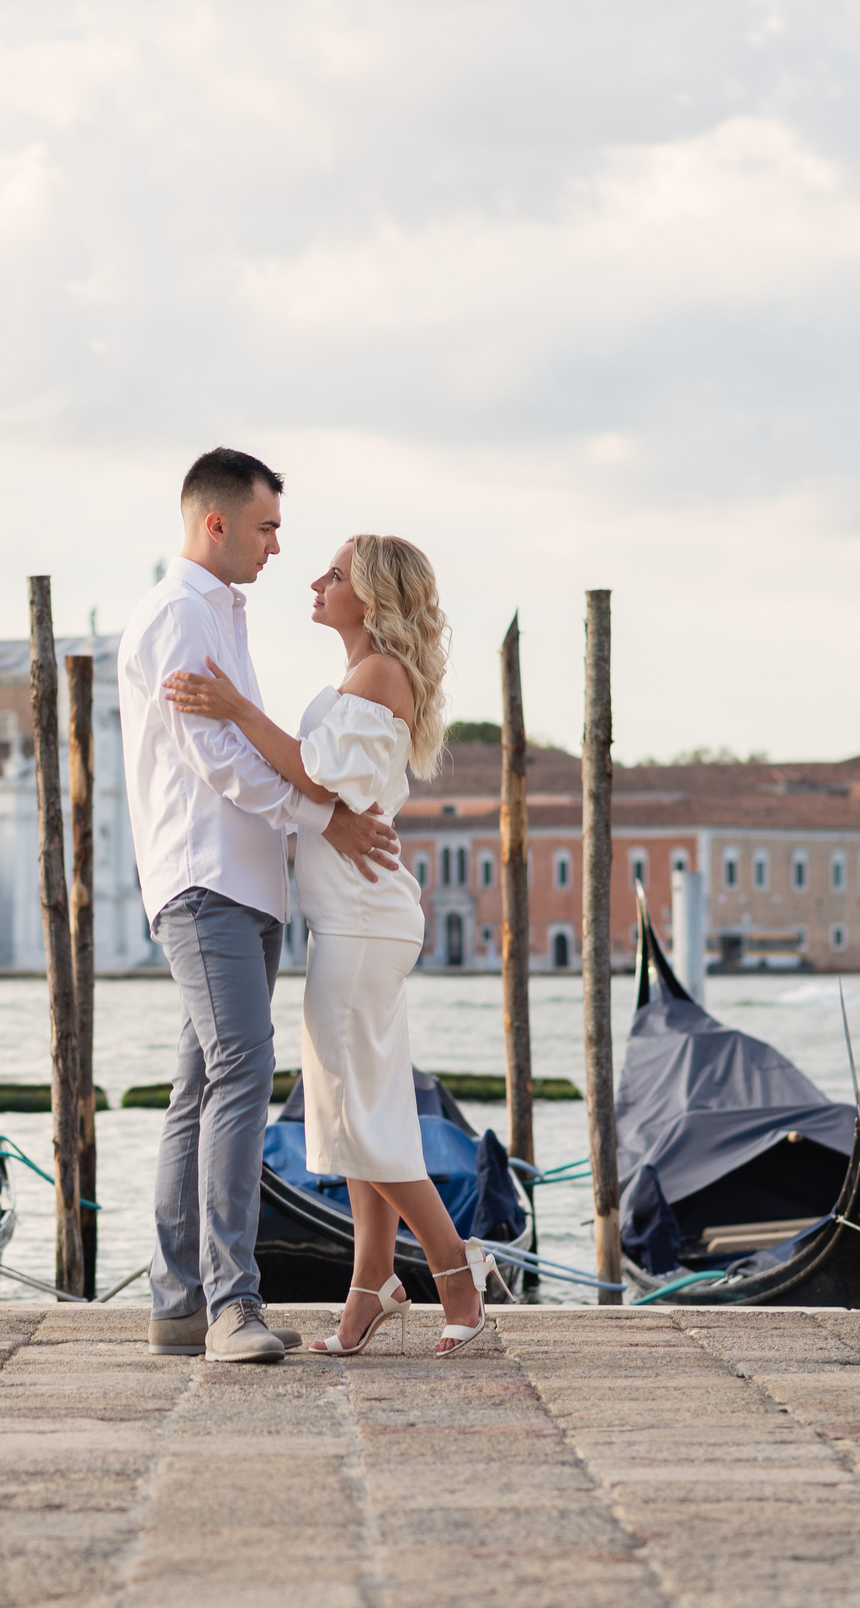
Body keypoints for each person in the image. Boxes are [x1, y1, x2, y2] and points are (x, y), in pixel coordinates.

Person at [162, 531, 494, 1356]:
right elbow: (323, 780)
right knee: (358, 1110)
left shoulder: (380, 673)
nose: (316, 579)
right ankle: (369, 1289)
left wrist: (236, 709)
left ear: (373, 599)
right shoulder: (363, 676)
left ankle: (458, 1274)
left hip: (360, 920)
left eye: (336, 574)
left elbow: (316, 777)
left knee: (353, 1112)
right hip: (355, 915)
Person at [120, 449, 401, 1364]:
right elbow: (221, 761)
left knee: (199, 1090)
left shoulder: (218, 616)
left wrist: (312, 821)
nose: (279, 546)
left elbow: (243, 745)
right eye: (268, 526)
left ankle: (178, 1307)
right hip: (206, 880)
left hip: (241, 884)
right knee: (243, 1070)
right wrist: (328, 821)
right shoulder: (182, 615)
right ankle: (231, 1307)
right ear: (217, 523)